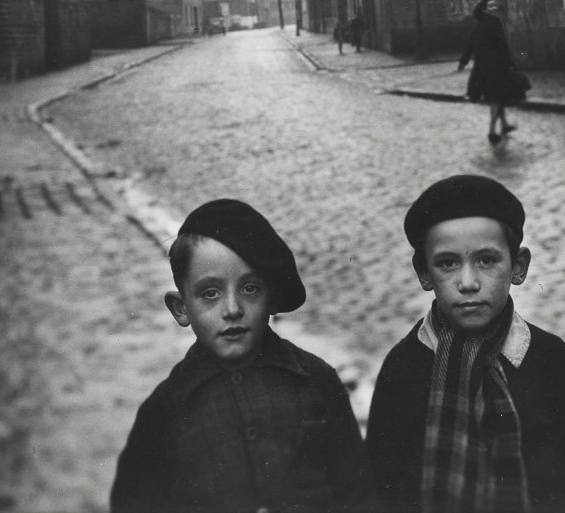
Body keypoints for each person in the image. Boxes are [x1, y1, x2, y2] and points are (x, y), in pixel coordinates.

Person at [110, 199, 375, 513]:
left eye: (250, 288)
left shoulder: (316, 380)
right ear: (181, 308)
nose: (233, 309)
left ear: (272, 297)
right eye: (211, 293)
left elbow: (360, 494)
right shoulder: (165, 409)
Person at [367, 175, 565, 513]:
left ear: (518, 267)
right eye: (447, 263)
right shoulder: (404, 367)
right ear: (423, 272)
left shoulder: (551, 359)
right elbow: (383, 481)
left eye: (487, 260)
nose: (468, 282)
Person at [457, 0, 524, 145]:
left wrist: (463, 61)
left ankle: (505, 125)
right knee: (497, 98)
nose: (494, 8)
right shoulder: (494, 22)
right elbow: (501, 44)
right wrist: (511, 63)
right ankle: (492, 131)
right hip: (496, 66)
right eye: (491, 6)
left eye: (495, 6)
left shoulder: (480, 25)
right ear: (484, 9)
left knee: (497, 96)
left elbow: (470, 45)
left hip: (482, 68)